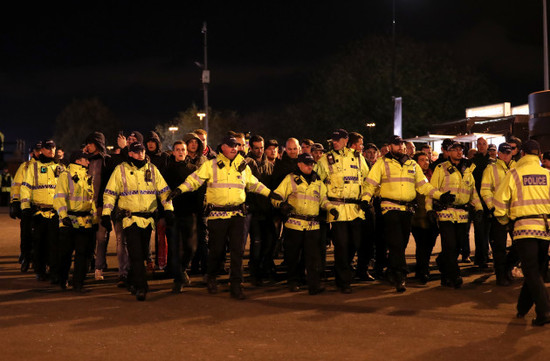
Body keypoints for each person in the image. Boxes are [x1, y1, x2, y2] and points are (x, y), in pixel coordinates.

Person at [167, 135, 280, 299]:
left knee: (237, 252)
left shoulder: (242, 165)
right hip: (218, 215)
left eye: (236, 146)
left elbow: (254, 184)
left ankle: (236, 284)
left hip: (237, 215)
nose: (234, 148)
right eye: (230, 145)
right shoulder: (210, 165)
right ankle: (211, 278)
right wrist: (180, 189)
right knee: (217, 251)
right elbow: (195, 180)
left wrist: (270, 194)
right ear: (223, 148)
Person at [364, 135, 455, 292]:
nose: (400, 147)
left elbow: (423, 186)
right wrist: (365, 199)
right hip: (389, 207)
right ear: (390, 146)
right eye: (396, 145)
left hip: (407, 210)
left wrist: (440, 195)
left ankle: (392, 270)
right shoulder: (382, 162)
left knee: (402, 243)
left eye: (401, 145)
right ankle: (401, 276)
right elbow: (371, 183)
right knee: (396, 242)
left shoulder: (412, 164)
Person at [102, 142, 174, 301]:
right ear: (130, 154)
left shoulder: (152, 169)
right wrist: (106, 214)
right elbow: (110, 193)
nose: (140, 154)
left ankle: (132, 281)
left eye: (142, 151)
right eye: (136, 152)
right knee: (135, 253)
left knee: (140, 254)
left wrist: (169, 209)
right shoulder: (121, 170)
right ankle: (142, 287)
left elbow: (164, 191)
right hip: (129, 219)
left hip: (148, 220)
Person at [493, 139, 550, 326]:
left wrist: (504, 221)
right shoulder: (547, 175)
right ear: (539, 155)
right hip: (545, 230)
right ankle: (523, 307)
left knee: (531, 270)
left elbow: (499, 203)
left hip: (524, 229)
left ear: (522, 154)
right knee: (536, 271)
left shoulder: (514, 174)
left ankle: (545, 310)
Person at [316, 129, 369, 293]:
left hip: (355, 209)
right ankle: (343, 280)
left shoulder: (358, 158)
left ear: (346, 140)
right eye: (333, 140)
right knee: (341, 246)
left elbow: (368, 180)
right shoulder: (326, 159)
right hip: (337, 209)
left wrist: (367, 198)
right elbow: (317, 183)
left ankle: (344, 271)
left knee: (355, 243)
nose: (334, 142)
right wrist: (325, 204)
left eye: (338, 140)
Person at [272, 153, 332, 294]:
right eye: (306, 164)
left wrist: (331, 208)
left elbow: (323, 200)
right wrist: (281, 205)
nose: (310, 166)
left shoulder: (317, 181)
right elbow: (276, 195)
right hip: (294, 224)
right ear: (299, 164)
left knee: (313, 257)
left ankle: (314, 284)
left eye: (311, 164)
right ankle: (293, 281)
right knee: (293, 256)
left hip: (312, 225)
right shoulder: (290, 179)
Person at [427, 141, 482, 288]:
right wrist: (429, 209)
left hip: (462, 214)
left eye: (461, 150)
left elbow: (473, 192)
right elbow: (431, 190)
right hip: (446, 212)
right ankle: (454, 275)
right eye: (455, 149)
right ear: (449, 152)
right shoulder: (441, 168)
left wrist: (479, 208)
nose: (459, 152)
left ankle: (443, 269)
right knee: (450, 245)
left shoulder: (468, 169)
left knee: (458, 246)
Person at [20, 139, 65, 282]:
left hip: (55, 213)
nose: (51, 150)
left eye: (53, 147)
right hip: (38, 212)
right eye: (48, 148)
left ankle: (54, 271)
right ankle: (39, 270)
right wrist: (25, 208)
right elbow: (25, 188)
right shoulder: (33, 167)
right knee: (39, 243)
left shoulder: (60, 168)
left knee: (54, 244)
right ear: (42, 150)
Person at [54, 150, 96, 291]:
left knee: (82, 254)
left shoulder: (87, 177)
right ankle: (62, 280)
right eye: (86, 159)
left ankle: (78, 283)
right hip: (69, 221)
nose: (88, 162)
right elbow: (59, 197)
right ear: (78, 160)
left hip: (84, 221)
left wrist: (95, 220)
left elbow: (91, 201)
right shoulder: (66, 175)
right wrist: (63, 216)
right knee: (65, 254)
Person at [85, 132, 122, 284]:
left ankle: (101, 268)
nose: (87, 146)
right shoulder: (87, 161)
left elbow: (109, 184)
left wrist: (101, 204)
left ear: (98, 144)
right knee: (95, 238)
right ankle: (96, 265)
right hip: (90, 206)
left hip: (106, 205)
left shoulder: (108, 161)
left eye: (90, 143)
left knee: (104, 237)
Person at [163, 141, 199, 293]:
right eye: (177, 150)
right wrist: (165, 211)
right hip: (173, 214)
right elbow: (162, 192)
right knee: (175, 249)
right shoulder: (167, 170)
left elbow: (198, 190)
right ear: (173, 152)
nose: (181, 152)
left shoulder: (193, 169)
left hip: (189, 213)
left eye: (183, 149)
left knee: (190, 248)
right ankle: (178, 280)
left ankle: (182, 269)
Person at [480, 143, 516, 286]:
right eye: (503, 152)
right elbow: (485, 190)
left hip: (515, 213)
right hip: (498, 214)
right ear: (498, 154)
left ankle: (507, 268)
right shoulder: (491, 169)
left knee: (519, 245)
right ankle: (501, 275)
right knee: (499, 247)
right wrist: (492, 206)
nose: (506, 155)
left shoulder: (517, 168)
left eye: (508, 152)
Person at [246, 135, 276, 285]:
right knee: (256, 242)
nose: (259, 151)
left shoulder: (270, 166)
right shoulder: (246, 165)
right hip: (253, 211)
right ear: (250, 148)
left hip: (267, 210)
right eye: (256, 148)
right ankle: (255, 272)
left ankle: (265, 269)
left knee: (270, 241)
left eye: (261, 148)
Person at [10, 142, 42, 272]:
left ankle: (37, 259)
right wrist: (15, 202)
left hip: (41, 206)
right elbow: (16, 185)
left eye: (42, 150)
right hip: (27, 205)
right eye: (38, 150)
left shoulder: (49, 166)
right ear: (32, 153)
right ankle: (26, 257)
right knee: (26, 235)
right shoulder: (25, 166)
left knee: (39, 235)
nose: (40, 152)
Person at [183, 132, 209, 277]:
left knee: (203, 237)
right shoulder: (181, 159)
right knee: (188, 238)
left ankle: (204, 267)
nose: (193, 144)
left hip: (201, 203)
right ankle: (191, 266)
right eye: (190, 142)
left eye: (196, 142)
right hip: (186, 204)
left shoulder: (204, 161)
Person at [410, 151, 438, 284]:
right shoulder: (412, 176)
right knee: (422, 244)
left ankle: (422, 268)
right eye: (422, 160)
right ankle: (423, 270)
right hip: (418, 216)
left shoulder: (432, 174)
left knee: (430, 243)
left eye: (427, 160)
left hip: (431, 215)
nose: (425, 162)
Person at [471, 137, 491, 270]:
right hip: (477, 199)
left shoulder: (492, 162)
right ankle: (480, 257)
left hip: (489, 200)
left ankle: (484, 256)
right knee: (479, 231)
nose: (482, 146)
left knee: (487, 231)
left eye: (484, 144)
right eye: (480, 144)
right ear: (477, 146)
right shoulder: (473, 162)